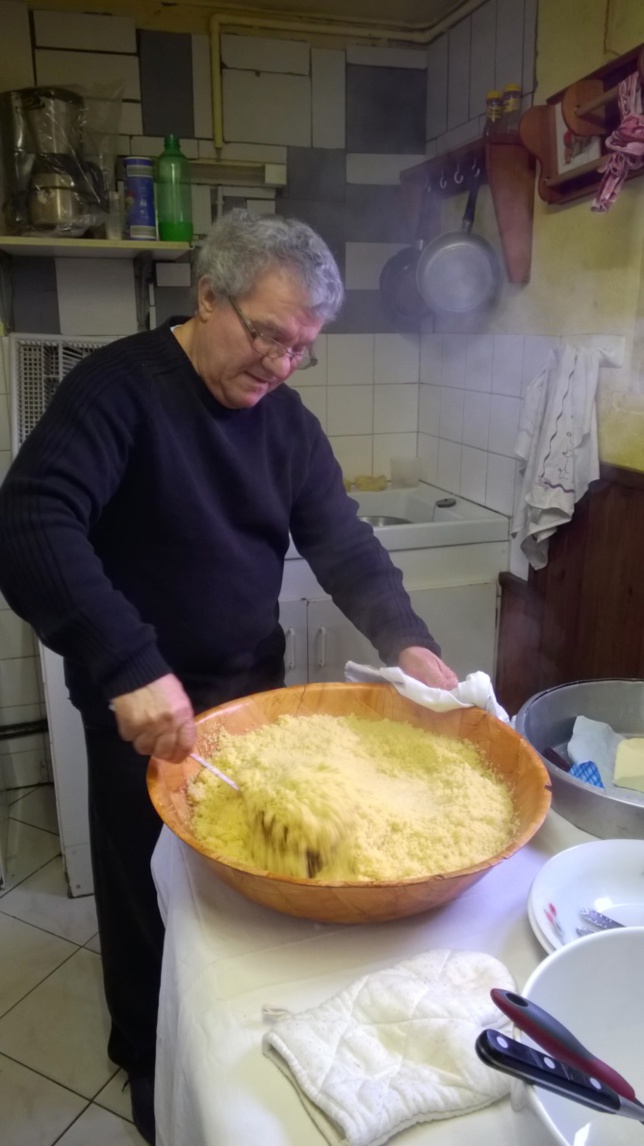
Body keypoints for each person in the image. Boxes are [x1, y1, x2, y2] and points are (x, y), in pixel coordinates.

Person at [0, 209, 457, 1143]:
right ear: (207, 296)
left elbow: (343, 540)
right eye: (266, 335)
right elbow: (31, 522)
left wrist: (410, 646)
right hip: (143, 706)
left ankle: (236, 1060)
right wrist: (130, 665)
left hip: (254, 699)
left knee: (253, 895)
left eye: (302, 349)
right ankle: (146, 1060)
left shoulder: (284, 421)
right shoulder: (119, 391)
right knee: (148, 891)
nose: (281, 365)